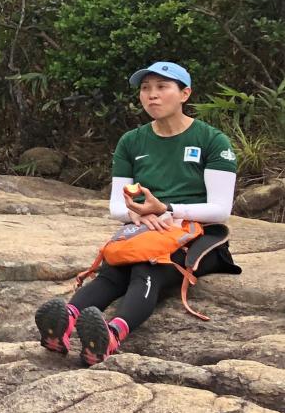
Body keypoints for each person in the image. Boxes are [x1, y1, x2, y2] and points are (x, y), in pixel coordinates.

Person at [35, 62, 240, 365]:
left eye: (162, 87)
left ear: (185, 94)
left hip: (200, 236)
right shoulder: (132, 141)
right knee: (115, 268)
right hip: (147, 228)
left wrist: (168, 210)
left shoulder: (212, 140)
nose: (151, 95)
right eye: (145, 88)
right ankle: (64, 321)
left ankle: (111, 335)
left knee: (147, 267)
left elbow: (220, 209)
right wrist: (136, 215)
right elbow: (117, 205)